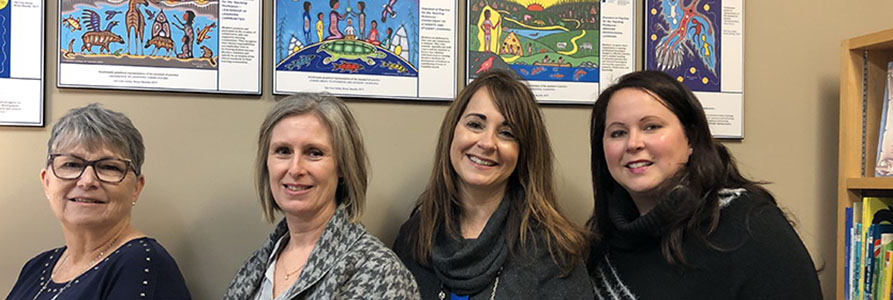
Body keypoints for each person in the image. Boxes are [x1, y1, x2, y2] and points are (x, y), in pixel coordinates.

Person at [587, 70, 822, 299]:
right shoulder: (600, 242)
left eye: (651, 126)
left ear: (690, 139)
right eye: (618, 133)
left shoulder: (750, 225)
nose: (633, 143)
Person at [393, 70, 593, 299]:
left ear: (523, 152)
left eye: (506, 133)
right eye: (475, 124)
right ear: (452, 132)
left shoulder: (555, 252)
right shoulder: (414, 237)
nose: (487, 143)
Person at [222, 93, 418, 299]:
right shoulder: (257, 266)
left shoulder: (379, 272)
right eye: (283, 151)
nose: (295, 168)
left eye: (314, 153)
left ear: (343, 166)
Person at [6, 104, 192, 299]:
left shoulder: (143, 266)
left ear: (136, 188)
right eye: (71, 164)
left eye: (109, 167)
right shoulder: (36, 267)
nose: (87, 181)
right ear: (47, 182)